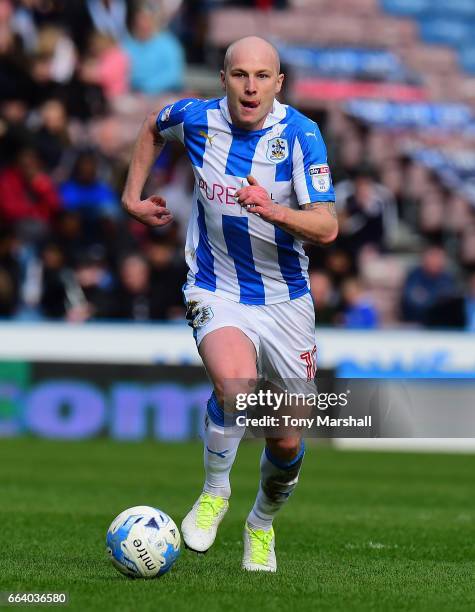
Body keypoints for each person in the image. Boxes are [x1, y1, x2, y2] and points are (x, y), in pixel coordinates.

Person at [121, 36, 338, 573]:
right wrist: (132, 196)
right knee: (234, 384)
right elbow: (153, 125)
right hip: (216, 287)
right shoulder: (197, 119)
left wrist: (274, 211)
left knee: (286, 441)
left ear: (278, 83)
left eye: (262, 76)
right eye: (239, 74)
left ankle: (260, 524)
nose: (250, 86)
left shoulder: (301, 135)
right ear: (222, 79)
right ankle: (215, 493)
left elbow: (328, 225)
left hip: (286, 300)